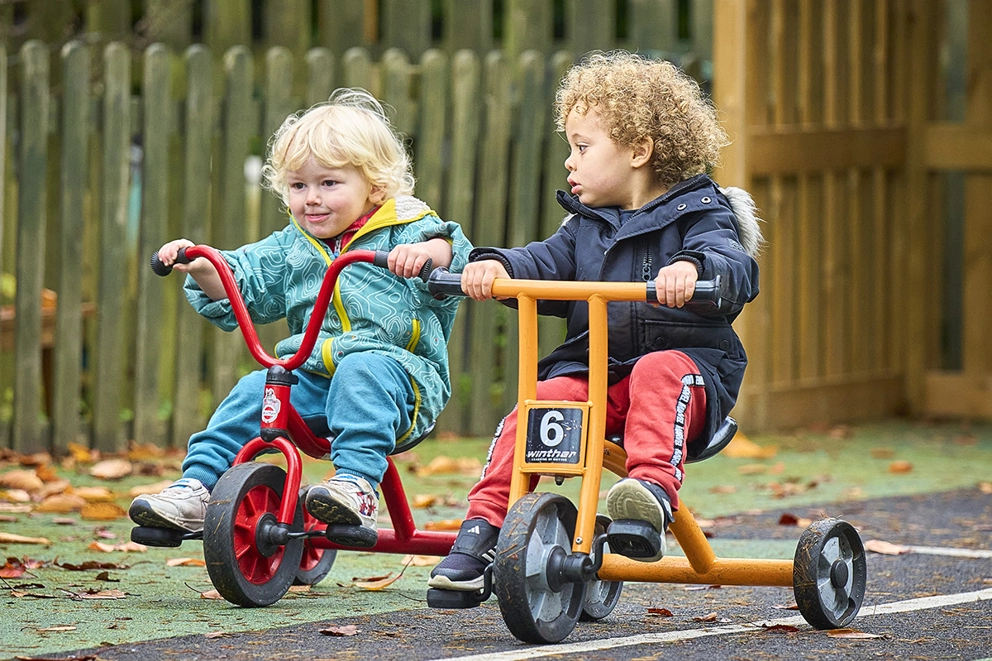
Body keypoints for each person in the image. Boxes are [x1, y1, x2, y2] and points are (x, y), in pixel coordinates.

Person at [428, 51, 762, 593]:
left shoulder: (703, 212)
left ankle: (647, 496)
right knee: (545, 392)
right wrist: (495, 266)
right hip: (600, 374)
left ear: (639, 150)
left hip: (691, 376)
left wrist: (693, 268)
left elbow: (730, 261)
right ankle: (486, 525)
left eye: (582, 148)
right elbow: (542, 262)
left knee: (658, 369)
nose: (570, 162)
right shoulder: (586, 228)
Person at [130, 89, 472, 547]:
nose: (311, 199)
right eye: (298, 186)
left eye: (329, 184)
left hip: (402, 386)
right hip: (313, 382)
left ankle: (355, 484)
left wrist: (426, 256)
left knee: (362, 368)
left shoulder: (408, 227)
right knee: (255, 388)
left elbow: (450, 247)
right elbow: (242, 279)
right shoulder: (292, 247)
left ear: (372, 185)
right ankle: (197, 489)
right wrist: (202, 264)